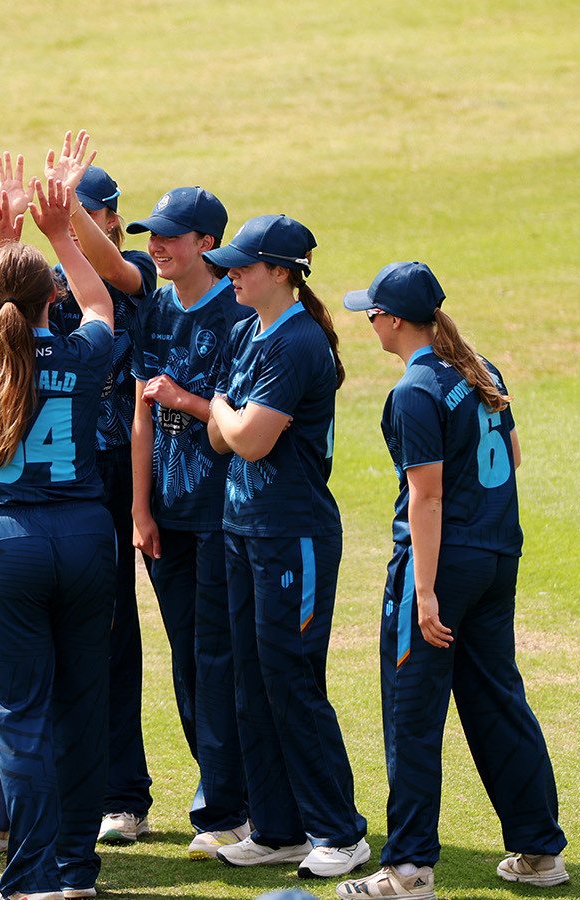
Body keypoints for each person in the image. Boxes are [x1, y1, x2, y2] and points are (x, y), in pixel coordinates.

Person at [335, 262, 568, 899]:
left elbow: (427, 498)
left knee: (411, 714)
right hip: (497, 558)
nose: (369, 322)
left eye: (373, 313)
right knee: (498, 700)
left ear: (395, 320)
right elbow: (511, 456)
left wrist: (427, 590)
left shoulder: (414, 390)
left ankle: (408, 870)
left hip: (441, 563)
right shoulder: (481, 368)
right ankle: (540, 851)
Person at [0, 171, 116, 900]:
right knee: (83, 705)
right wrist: (57, 234)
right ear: (54, 300)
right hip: (83, 538)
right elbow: (102, 301)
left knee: (20, 716)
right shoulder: (83, 353)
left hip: (4, 546)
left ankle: (34, 876)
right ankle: (76, 869)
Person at [203, 216, 371, 877]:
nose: (231, 273)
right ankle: (279, 830)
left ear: (281, 272)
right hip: (246, 530)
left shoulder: (297, 343)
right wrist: (227, 413)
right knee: (253, 684)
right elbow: (226, 435)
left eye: (243, 265)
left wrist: (221, 408)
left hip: (291, 537)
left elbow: (248, 439)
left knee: (291, 682)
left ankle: (341, 833)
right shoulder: (252, 331)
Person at [4, 132, 158, 846]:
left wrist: (67, 227)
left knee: (110, 638)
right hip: (43, 485)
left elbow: (113, 281)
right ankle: (58, 793)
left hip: (107, 477)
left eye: (82, 215)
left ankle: (123, 794)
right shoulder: (36, 293)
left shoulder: (128, 273)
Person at [127, 185, 253, 859]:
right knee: (188, 658)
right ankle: (223, 799)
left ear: (207, 243)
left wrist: (187, 399)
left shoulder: (237, 314)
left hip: (220, 514)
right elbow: (142, 418)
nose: (157, 246)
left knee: (216, 656)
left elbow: (242, 426)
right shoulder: (153, 311)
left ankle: (228, 808)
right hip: (167, 519)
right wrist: (140, 507)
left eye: (171, 236)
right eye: (154, 234)